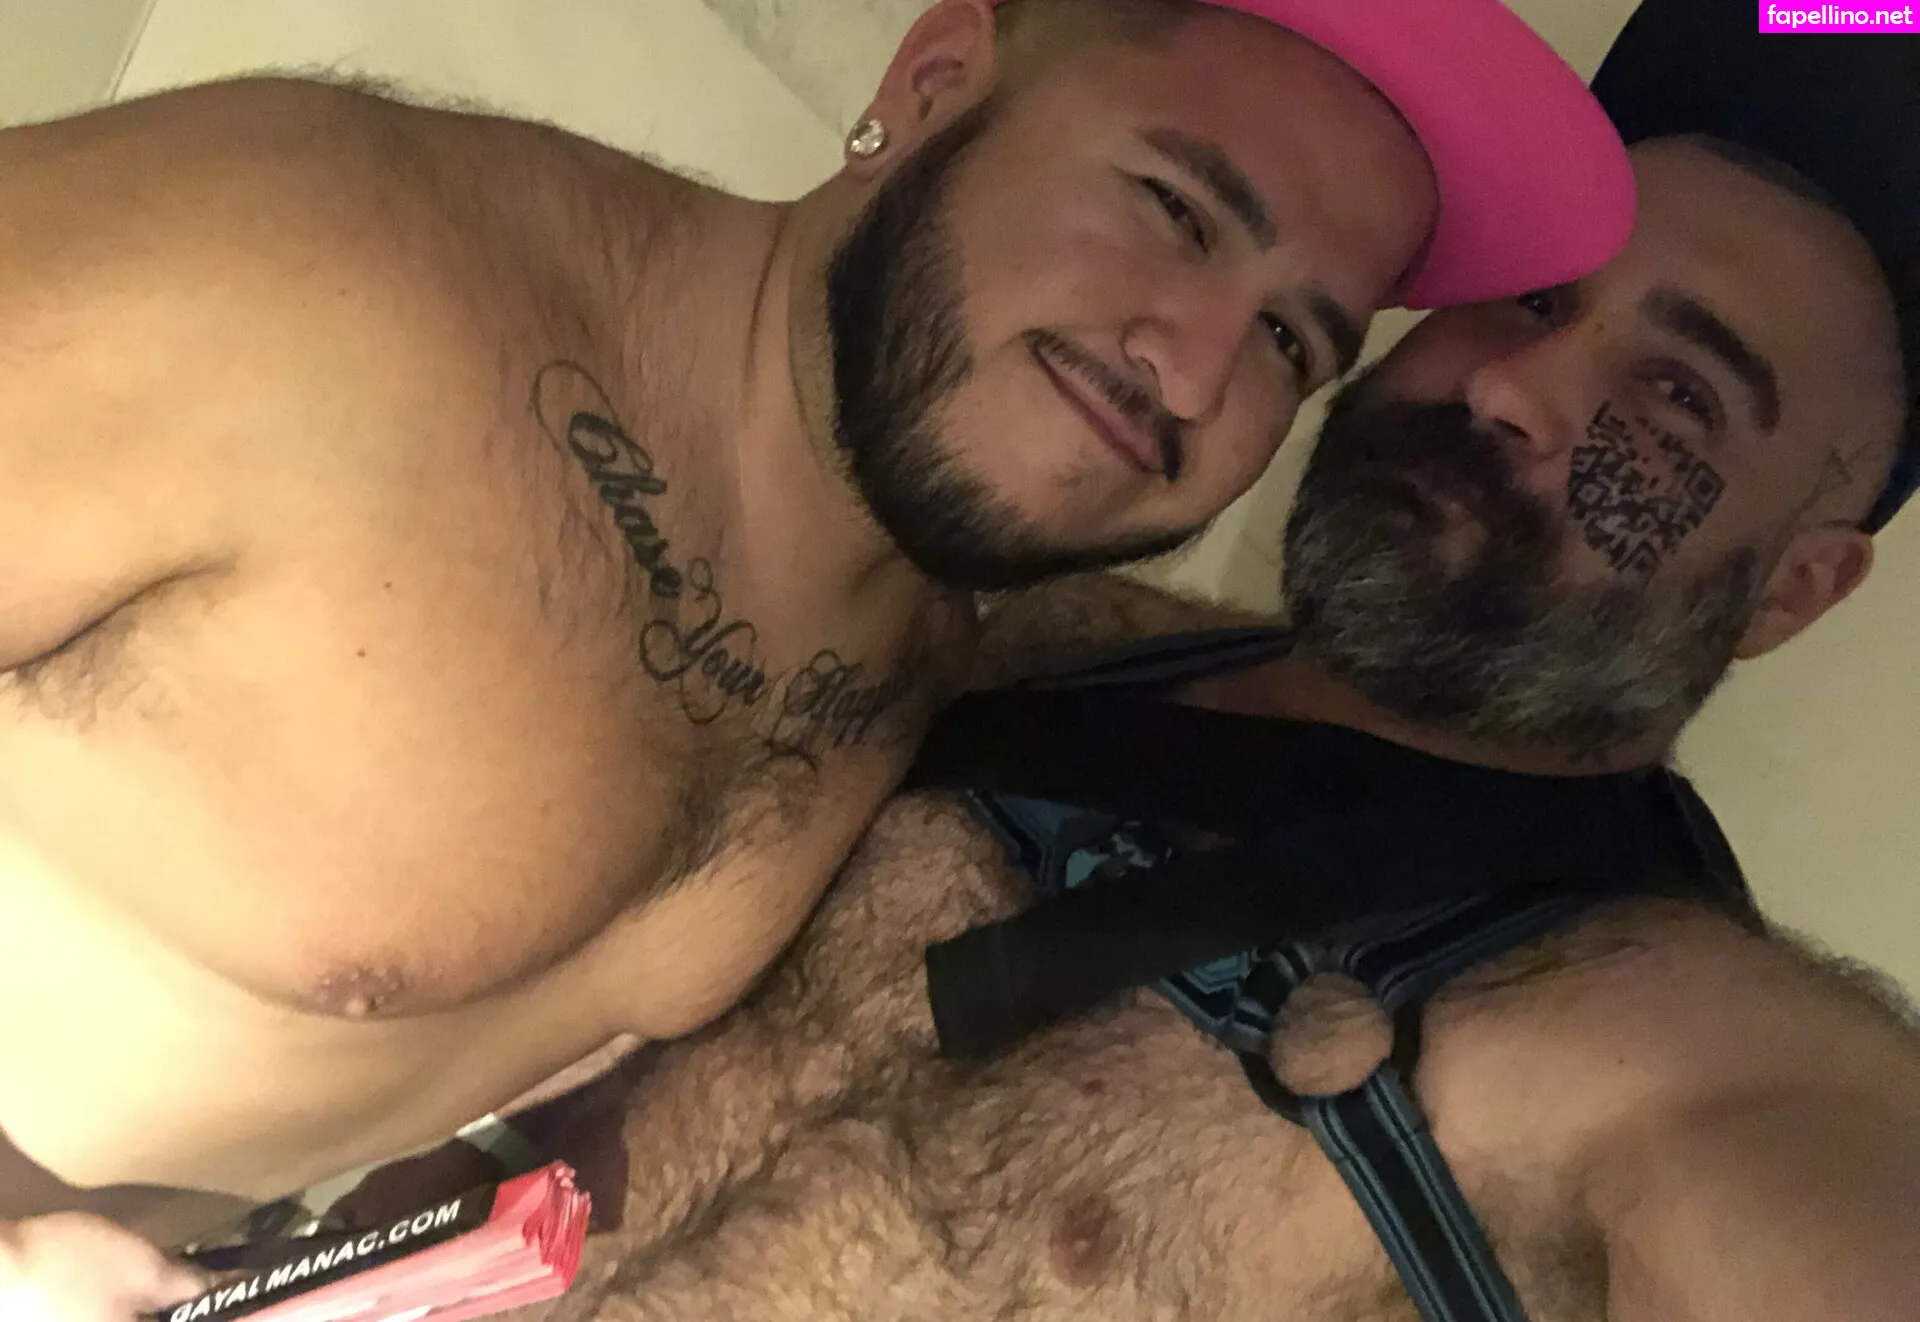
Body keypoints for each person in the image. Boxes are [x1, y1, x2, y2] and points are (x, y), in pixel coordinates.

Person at [0, 0, 1632, 1316]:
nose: (1196, 371)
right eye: (1177, 207)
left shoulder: (928, 650)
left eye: (1289, 336)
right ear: (931, 85)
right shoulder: (306, 269)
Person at [481, 5, 1920, 1320]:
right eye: (1537, 298)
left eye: (1677, 395)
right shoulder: (1036, 625)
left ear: (1793, 590)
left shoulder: (1691, 1073)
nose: (1510, 385)